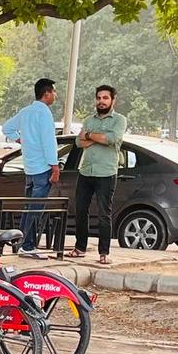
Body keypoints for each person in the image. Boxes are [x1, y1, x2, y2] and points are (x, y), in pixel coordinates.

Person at [3, 78, 61, 258]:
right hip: (43, 168)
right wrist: (55, 166)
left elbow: (7, 129)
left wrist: (22, 140)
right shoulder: (44, 113)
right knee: (36, 208)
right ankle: (26, 245)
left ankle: (24, 243)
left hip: (29, 167)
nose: (55, 95)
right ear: (47, 93)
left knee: (29, 206)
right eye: (54, 92)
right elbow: (48, 141)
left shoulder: (26, 112)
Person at [71, 84, 128, 265]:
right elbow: (78, 143)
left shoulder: (119, 120)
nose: (101, 101)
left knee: (104, 213)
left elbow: (111, 139)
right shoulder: (89, 120)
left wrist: (89, 136)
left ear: (113, 100)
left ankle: (104, 252)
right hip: (86, 170)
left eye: (105, 98)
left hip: (106, 172)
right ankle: (80, 248)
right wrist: (96, 137)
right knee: (80, 210)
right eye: (99, 98)